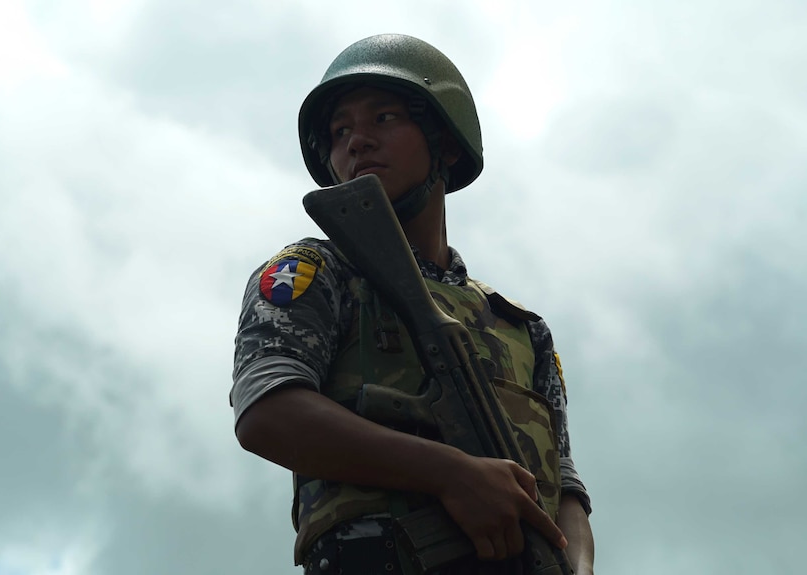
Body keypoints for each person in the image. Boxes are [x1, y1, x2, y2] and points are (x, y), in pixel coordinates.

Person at [232, 34, 594, 575]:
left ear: (444, 143)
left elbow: (564, 487)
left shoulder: (523, 329)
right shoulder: (319, 271)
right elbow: (268, 410)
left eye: (383, 118)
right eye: (340, 131)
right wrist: (449, 473)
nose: (357, 142)